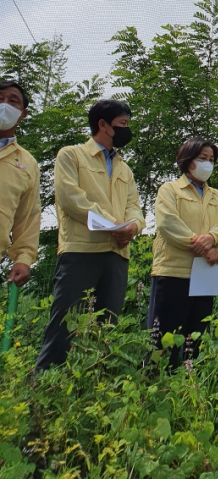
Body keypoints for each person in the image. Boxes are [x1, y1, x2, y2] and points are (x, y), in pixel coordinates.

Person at [36, 99, 145, 370]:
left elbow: (135, 207)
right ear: (103, 125)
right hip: (80, 251)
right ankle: (46, 384)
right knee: (65, 323)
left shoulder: (125, 169)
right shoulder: (71, 155)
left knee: (107, 325)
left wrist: (133, 227)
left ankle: (95, 386)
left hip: (117, 254)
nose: (126, 130)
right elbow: (71, 199)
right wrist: (115, 224)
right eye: (122, 124)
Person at [148, 137, 218, 366]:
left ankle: (189, 386)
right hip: (174, 271)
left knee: (196, 336)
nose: (208, 163)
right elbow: (168, 223)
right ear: (187, 160)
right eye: (202, 158)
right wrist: (202, 245)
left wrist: (213, 238)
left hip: (205, 275)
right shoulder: (170, 190)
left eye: (212, 159)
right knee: (164, 337)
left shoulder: (217, 195)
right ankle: (156, 384)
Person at [0, 80, 40, 288]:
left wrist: (23, 258)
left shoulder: (27, 164)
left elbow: (28, 218)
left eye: (12, 101)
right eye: (0, 99)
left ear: (22, 114)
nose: (4, 104)